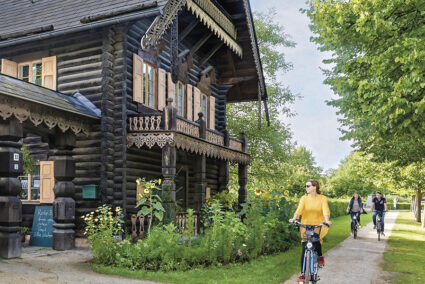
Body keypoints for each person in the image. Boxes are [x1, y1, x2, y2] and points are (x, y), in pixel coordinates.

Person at [289, 179, 331, 283]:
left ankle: (320, 257)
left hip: (318, 225)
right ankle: (303, 274)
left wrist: (326, 220)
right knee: (304, 248)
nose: (306, 188)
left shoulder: (322, 198)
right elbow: (299, 209)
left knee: (316, 242)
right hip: (305, 225)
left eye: (308, 186)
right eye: (306, 186)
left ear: (314, 187)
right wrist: (294, 218)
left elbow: (325, 210)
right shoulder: (304, 198)